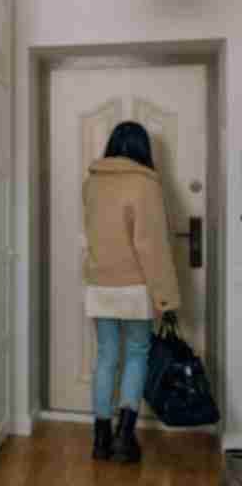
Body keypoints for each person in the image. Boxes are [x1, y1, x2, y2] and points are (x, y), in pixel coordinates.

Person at [83, 121, 181, 464]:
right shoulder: (145, 184)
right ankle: (124, 438)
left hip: (99, 284)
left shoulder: (92, 183)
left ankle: (99, 440)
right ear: (142, 148)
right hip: (134, 287)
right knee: (137, 354)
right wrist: (166, 299)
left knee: (107, 356)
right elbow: (151, 247)